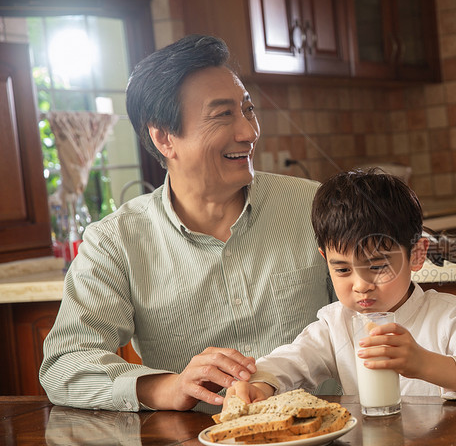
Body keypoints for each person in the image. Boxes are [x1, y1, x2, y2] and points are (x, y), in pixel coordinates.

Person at [40, 35, 333, 413]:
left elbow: (379, 312)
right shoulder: (116, 242)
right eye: (223, 114)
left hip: (327, 437)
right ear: (164, 138)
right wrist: (166, 387)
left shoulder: (315, 205)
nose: (249, 132)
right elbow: (63, 365)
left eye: (248, 109)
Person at [226, 169, 456, 404]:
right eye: (342, 269)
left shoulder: (446, 317)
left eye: (378, 266)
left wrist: (424, 364)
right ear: (325, 260)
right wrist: (259, 384)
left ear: (417, 254)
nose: (361, 285)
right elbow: (291, 361)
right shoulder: (335, 325)